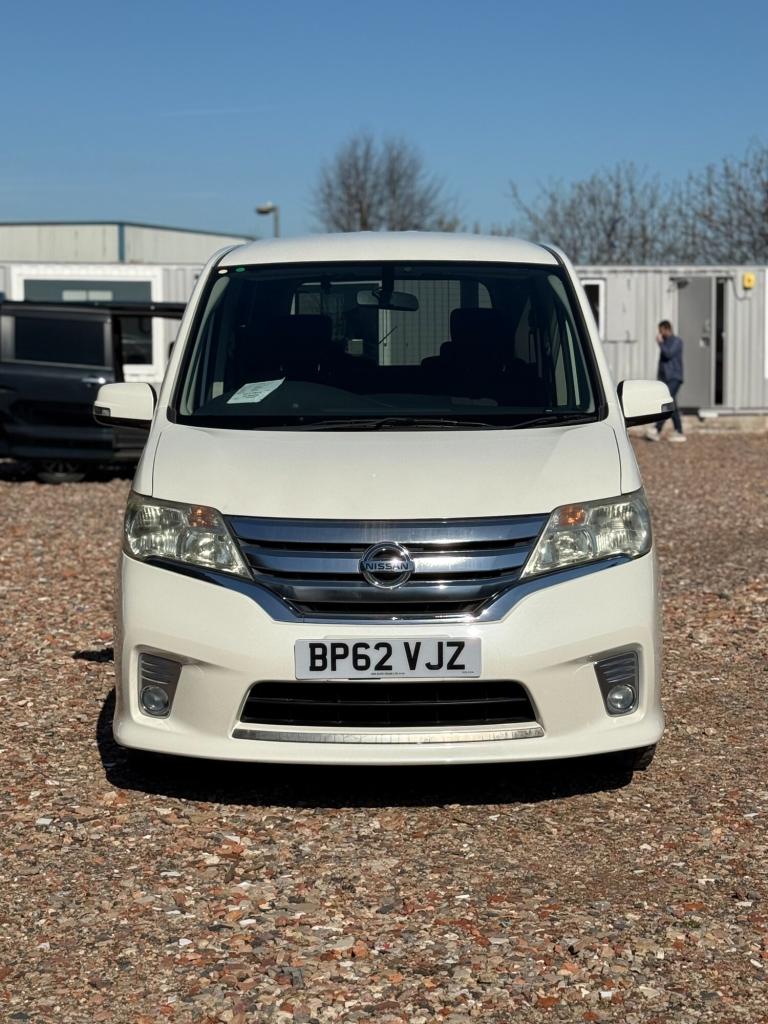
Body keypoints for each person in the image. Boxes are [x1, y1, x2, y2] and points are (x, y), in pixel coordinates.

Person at [645, 319, 686, 442]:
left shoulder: (677, 342)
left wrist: (660, 343)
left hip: (675, 377)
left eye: (661, 330)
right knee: (672, 405)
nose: (660, 333)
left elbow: (668, 354)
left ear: (667, 329)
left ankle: (657, 429)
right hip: (666, 378)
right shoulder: (666, 342)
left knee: (667, 402)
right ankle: (679, 432)